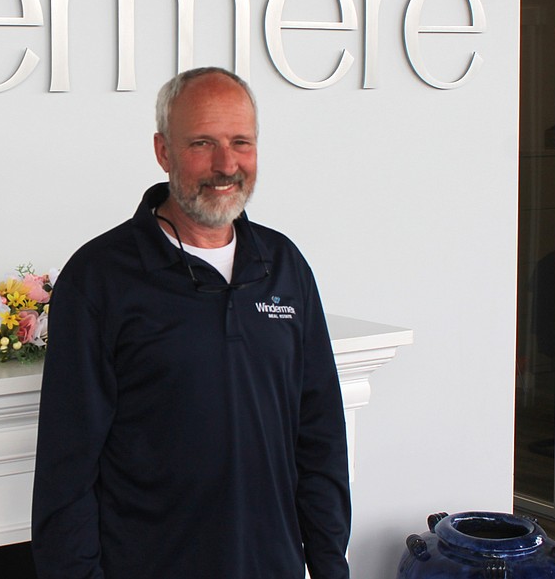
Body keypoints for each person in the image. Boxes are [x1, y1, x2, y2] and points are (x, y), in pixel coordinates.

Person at [31, 67, 350, 579]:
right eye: (202, 143)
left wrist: (331, 564)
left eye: (240, 142)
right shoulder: (99, 278)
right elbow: (66, 471)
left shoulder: (283, 265)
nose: (226, 164)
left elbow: (321, 437)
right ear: (163, 151)